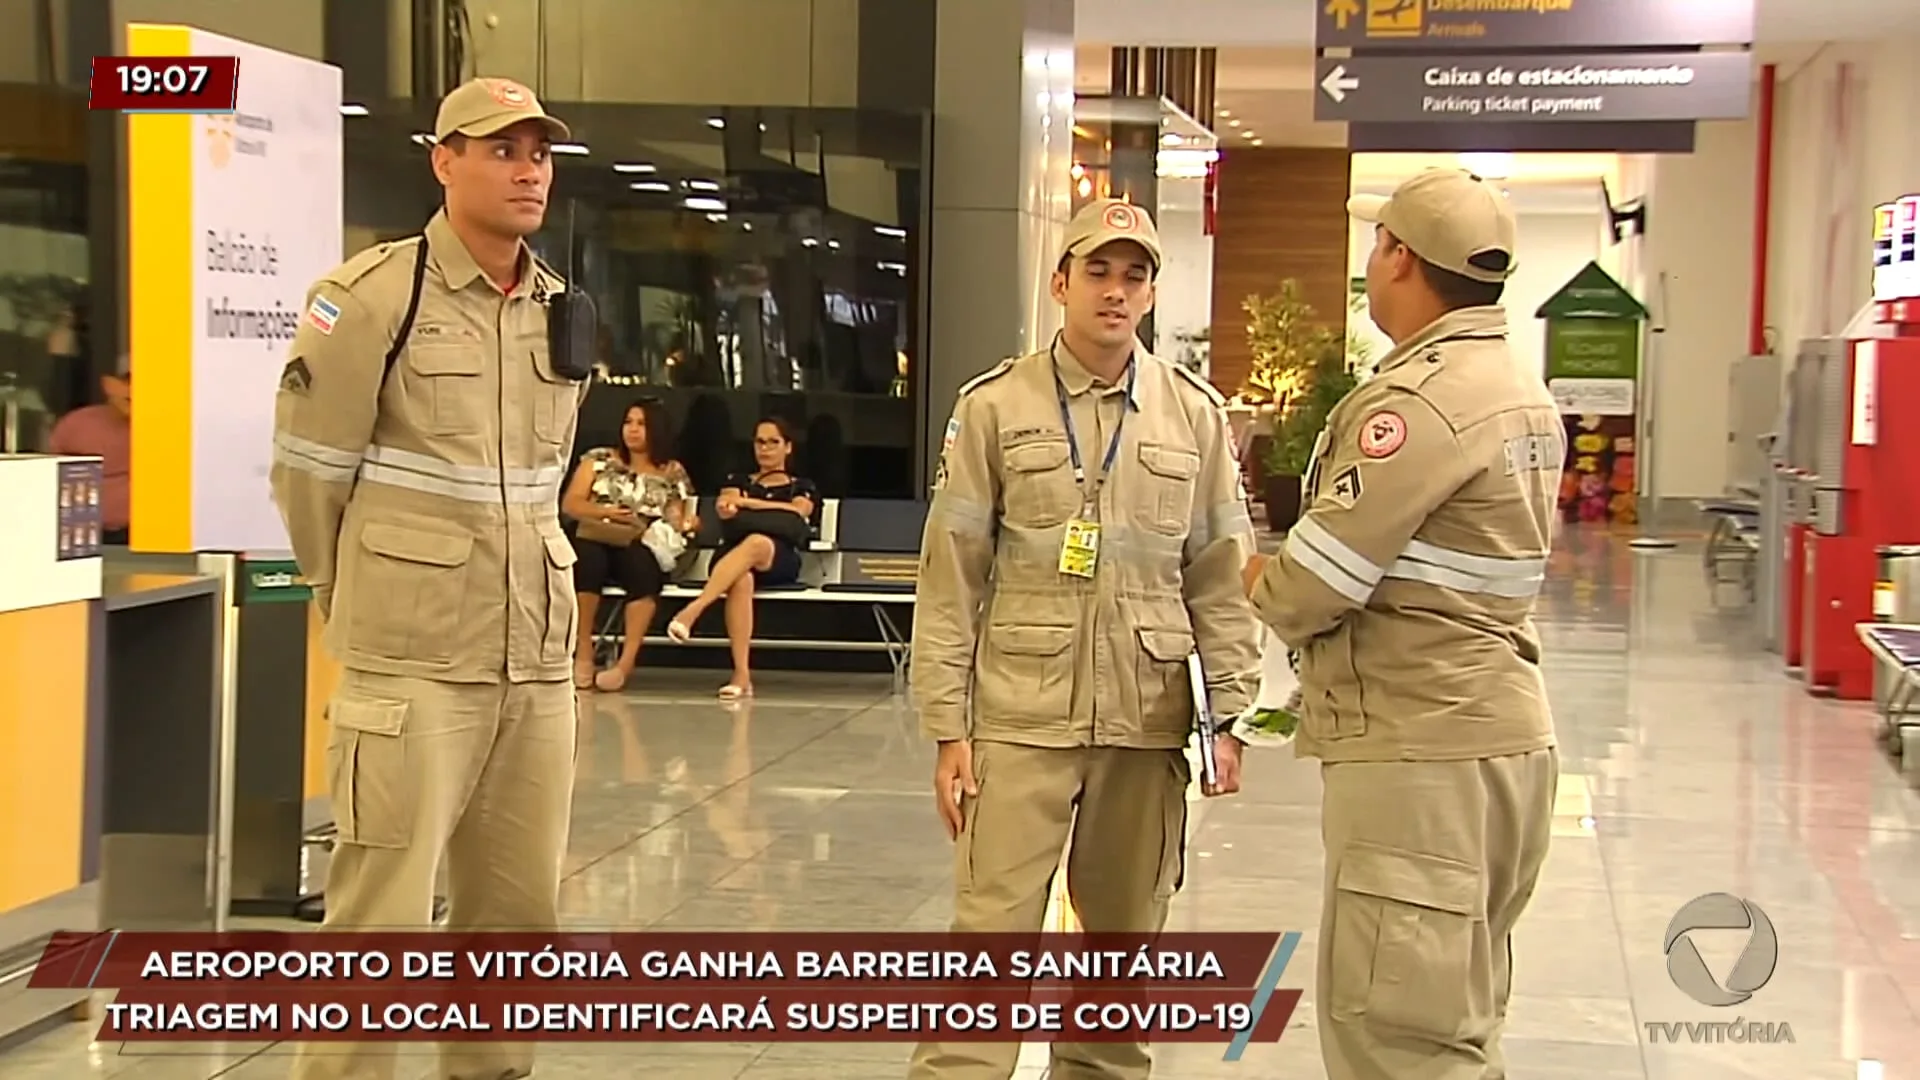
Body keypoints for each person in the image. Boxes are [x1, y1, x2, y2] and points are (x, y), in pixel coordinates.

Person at [266, 77, 587, 1080]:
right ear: (444, 160)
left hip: (531, 668)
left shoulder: (560, 308)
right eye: (500, 149)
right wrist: (357, 598)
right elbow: (309, 477)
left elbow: (547, 480)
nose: (527, 168)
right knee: (381, 928)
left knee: (516, 923)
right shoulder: (369, 297)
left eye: (538, 151)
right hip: (409, 666)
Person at [908, 199, 1262, 1080]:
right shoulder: (996, 406)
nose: (1116, 291)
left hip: (1145, 719)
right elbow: (951, 572)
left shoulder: (1193, 416)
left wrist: (1231, 716)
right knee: (987, 946)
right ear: (1061, 282)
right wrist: (948, 728)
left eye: (1134, 275)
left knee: (1119, 957)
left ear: (1151, 293)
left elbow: (1221, 574)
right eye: (1098, 271)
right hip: (1020, 717)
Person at [1242, 168, 1564, 1080]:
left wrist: (1249, 572)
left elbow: (1314, 585)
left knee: (1398, 1039)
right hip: (1499, 740)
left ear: (1401, 259)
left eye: (1378, 243)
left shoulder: (1418, 402)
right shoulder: (1518, 388)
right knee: (1454, 1019)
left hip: (1420, 752)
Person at [666, 416, 816, 700]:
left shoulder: (802, 485)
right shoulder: (736, 479)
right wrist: (770, 510)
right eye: (760, 442)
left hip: (778, 557)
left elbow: (798, 512)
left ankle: (694, 609)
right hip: (732, 556)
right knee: (742, 579)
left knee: (757, 541)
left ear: (788, 447)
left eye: (774, 442)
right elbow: (726, 509)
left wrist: (747, 504)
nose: (766, 449)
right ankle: (741, 673)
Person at [561, 396, 698, 691]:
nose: (632, 430)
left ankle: (626, 662)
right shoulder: (598, 460)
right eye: (628, 422)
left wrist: (685, 522)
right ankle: (583, 649)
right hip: (597, 532)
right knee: (588, 559)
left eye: (641, 424)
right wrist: (606, 512)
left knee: (642, 568)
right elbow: (571, 504)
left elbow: (679, 516)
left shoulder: (672, 472)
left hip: (639, 539)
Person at [48, 364, 130, 544]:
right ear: (108, 384)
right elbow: (48, 479)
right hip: (80, 536)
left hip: (151, 538)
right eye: (128, 379)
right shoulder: (77, 424)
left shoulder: (177, 429)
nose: (133, 388)